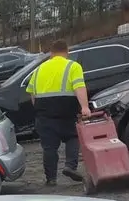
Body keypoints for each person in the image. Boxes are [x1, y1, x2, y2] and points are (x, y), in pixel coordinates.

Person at [26, 39, 91, 186]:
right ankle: (70, 166)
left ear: (51, 53)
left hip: (44, 114)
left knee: (49, 147)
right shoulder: (73, 66)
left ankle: (51, 179)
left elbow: (32, 93)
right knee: (73, 137)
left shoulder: (39, 69)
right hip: (66, 111)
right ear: (67, 52)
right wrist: (84, 107)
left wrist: (39, 110)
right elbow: (79, 87)